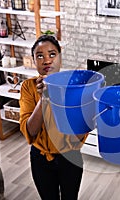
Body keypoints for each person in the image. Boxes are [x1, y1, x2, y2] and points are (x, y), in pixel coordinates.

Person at [19, 35, 88, 200]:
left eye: (52, 54)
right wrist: (44, 98)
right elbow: (30, 130)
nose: (46, 60)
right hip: (40, 158)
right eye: (40, 55)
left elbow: (77, 137)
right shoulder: (28, 87)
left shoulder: (74, 89)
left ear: (60, 58)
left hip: (70, 158)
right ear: (34, 61)